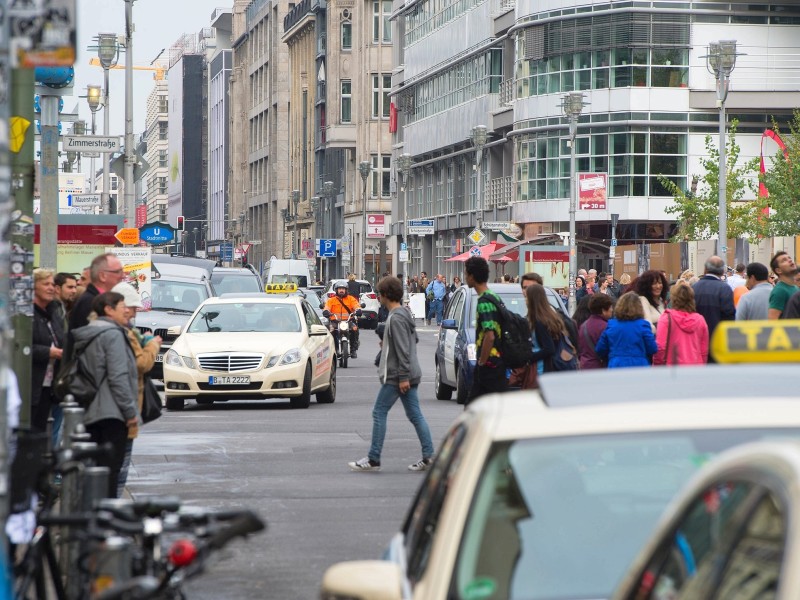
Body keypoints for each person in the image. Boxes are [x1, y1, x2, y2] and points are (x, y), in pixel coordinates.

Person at [348, 276, 434, 473]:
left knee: (379, 412)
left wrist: (403, 376)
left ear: (386, 295)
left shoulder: (395, 318)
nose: (378, 297)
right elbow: (414, 341)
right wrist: (388, 343)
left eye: (379, 294)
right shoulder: (405, 314)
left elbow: (403, 349)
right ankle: (429, 456)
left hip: (398, 375)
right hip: (410, 372)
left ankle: (373, 458)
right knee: (415, 415)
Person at [72, 292, 139, 498]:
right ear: (109, 310)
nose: (126, 310)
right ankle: (105, 517)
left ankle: (91, 514)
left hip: (91, 408)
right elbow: (118, 376)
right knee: (110, 471)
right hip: (112, 412)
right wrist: (130, 412)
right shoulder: (113, 334)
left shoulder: (90, 331)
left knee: (94, 469)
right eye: (122, 306)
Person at [112, 282, 162, 496]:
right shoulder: (119, 332)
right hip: (122, 410)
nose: (133, 315)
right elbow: (139, 364)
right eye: (131, 309)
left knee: (117, 465)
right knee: (118, 467)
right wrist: (152, 345)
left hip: (119, 409)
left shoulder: (116, 329)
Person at [464, 256, 507, 403]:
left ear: (472, 276)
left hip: (490, 364)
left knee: (473, 408)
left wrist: (481, 362)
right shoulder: (493, 297)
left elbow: (490, 336)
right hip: (496, 363)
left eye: (466, 274)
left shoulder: (484, 302)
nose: (465, 277)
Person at [31, 269, 65, 433]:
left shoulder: (53, 312)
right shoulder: (27, 314)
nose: (51, 288)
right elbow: (21, 347)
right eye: (46, 284)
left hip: (49, 384)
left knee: (44, 430)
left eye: (53, 284)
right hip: (32, 384)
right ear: (33, 287)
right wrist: (49, 352)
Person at [595, 292, 657, 369]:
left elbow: (600, 349)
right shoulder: (643, 325)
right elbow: (652, 348)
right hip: (639, 366)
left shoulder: (611, 325)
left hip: (616, 365)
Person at [653, 284, 708, 366]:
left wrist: (657, 364)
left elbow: (661, 347)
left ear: (673, 299)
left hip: (672, 369)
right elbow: (703, 350)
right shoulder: (700, 320)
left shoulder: (666, 319)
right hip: (695, 368)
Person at [69, 253, 126, 333]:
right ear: (102, 276)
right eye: (118, 272)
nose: (123, 276)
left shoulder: (98, 299)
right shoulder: (90, 302)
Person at [692, 256, 735, 351]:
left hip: (696, 341)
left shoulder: (694, 288)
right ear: (722, 272)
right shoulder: (725, 289)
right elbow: (729, 317)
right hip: (718, 342)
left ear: (705, 269)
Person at [324, 280, 361, 358]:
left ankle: (353, 349)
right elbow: (327, 307)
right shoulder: (331, 300)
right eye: (339, 289)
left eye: (343, 289)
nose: (341, 290)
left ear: (346, 290)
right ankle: (334, 349)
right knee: (330, 331)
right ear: (336, 290)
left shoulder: (351, 299)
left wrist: (358, 310)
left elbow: (356, 305)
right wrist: (326, 311)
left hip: (348, 321)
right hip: (335, 321)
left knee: (354, 328)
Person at [578, 294, 613, 370]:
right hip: (600, 368)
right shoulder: (606, 327)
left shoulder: (583, 326)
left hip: (585, 367)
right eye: (610, 307)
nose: (612, 310)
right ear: (603, 310)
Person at [768, 251, 798, 319]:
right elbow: (773, 321)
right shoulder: (780, 291)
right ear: (778, 270)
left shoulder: (796, 288)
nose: (790, 260)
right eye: (784, 260)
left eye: (789, 258)